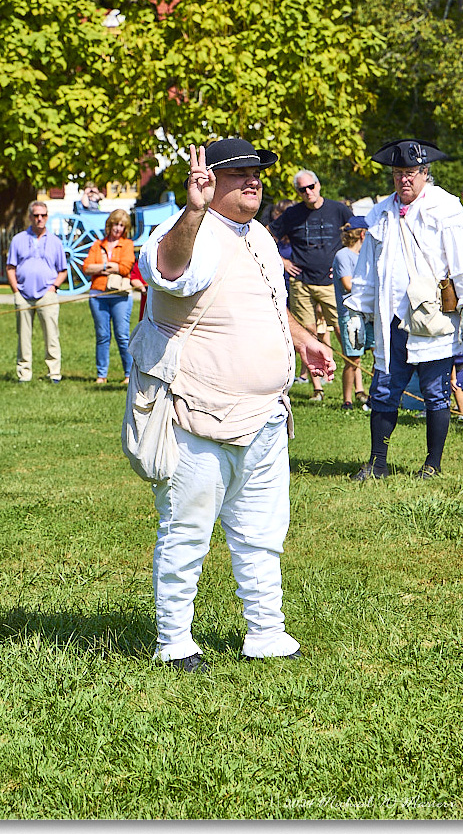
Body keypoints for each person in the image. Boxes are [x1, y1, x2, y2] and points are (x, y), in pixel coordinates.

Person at [135, 139, 336, 672]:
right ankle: (174, 640)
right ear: (209, 182)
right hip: (196, 413)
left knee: (263, 533)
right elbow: (168, 271)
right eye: (239, 173)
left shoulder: (260, 236)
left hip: (267, 414)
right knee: (187, 530)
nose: (253, 180)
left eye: (257, 173)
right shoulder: (188, 232)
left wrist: (301, 339)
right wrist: (194, 211)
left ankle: (266, 632)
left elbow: (265, 302)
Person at [345, 139, 463, 479]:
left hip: (434, 320)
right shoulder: (381, 212)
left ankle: (433, 464)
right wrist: (356, 309)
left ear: (425, 173)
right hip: (391, 320)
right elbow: (367, 268)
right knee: (383, 390)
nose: (404, 180)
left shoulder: (447, 210)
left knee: (435, 393)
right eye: (398, 174)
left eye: (411, 173)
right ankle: (377, 464)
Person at [272, 170, 352, 400]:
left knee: (341, 329)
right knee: (307, 334)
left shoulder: (338, 209)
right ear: (297, 192)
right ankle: (317, 387)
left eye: (311, 187)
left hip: (331, 283)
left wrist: (343, 263)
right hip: (301, 282)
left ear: (318, 185)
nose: (308, 192)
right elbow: (267, 236)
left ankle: (353, 380)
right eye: (302, 189)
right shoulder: (292, 214)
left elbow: (359, 232)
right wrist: (283, 261)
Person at [6, 200, 68, 383]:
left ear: (47, 217)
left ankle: (54, 373)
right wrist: (16, 290)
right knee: (23, 337)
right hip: (23, 295)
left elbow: (62, 270)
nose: (39, 219)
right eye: (36, 215)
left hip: (47, 294)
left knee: (52, 336)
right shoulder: (18, 240)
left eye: (43, 215)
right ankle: (24, 374)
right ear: (30, 217)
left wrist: (54, 287)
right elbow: (10, 267)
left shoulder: (55, 242)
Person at [82, 210, 135, 384]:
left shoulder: (127, 244)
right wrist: (107, 265)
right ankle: (101, 375)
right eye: (116, 224)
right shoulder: (98, 244)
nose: (118, 228)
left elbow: (126, 267)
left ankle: (129, 375)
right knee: (102, 335)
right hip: (97, 294)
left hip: (119, 294)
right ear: (109, 225)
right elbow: (86, 267)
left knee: (122, 335)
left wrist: (102, 268)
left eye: (122, 225)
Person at [332, 217, 373, 410]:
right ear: (363, 234)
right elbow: (347, 284)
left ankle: (373, 396)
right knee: (353, 359)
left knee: (377, 354)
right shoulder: (343, 256)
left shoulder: (366, 255)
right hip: (351, 315)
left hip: (369, 313)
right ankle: (347, 401)